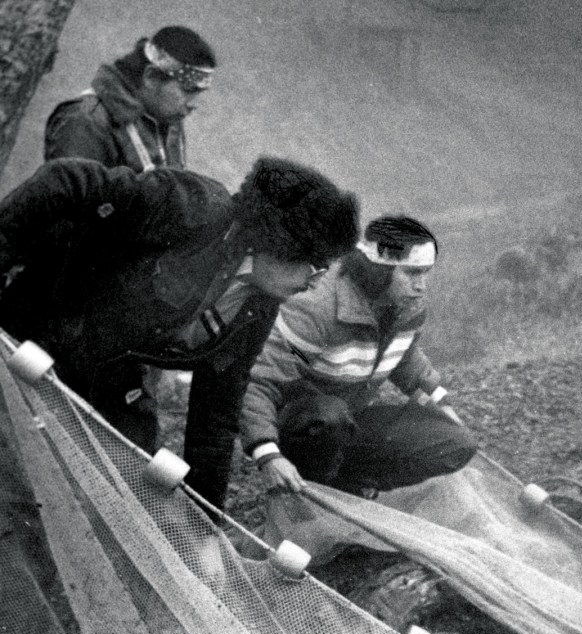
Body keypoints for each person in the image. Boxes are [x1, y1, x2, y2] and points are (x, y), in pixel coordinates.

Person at [0, 156, 360, 509]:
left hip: (109, 372)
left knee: (127, 478)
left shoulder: (258, 306)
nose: (314, 284)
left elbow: (216, 416)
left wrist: (206, 529)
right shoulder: (195, 208)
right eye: (314, 267)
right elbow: (67, 179)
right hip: (33, 328)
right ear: (277, 244)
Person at [240, 215, 477, 496]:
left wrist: (440, 401)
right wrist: (267, 454)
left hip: (348, 419)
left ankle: (350, 485)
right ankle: (310, 493)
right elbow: (260, 382)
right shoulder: (318, 307)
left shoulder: (405, 306)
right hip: (301, 426)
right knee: (328, 417)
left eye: (426, 273)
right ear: (378, 271)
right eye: (412, 273)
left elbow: (403, 355)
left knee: (457, 441)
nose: (421, 286)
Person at [44, 25, 217, 173]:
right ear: (152, 77)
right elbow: (70, 206)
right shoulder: (85, 121)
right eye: (188, 89)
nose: (194, 104)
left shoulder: (168, 120)